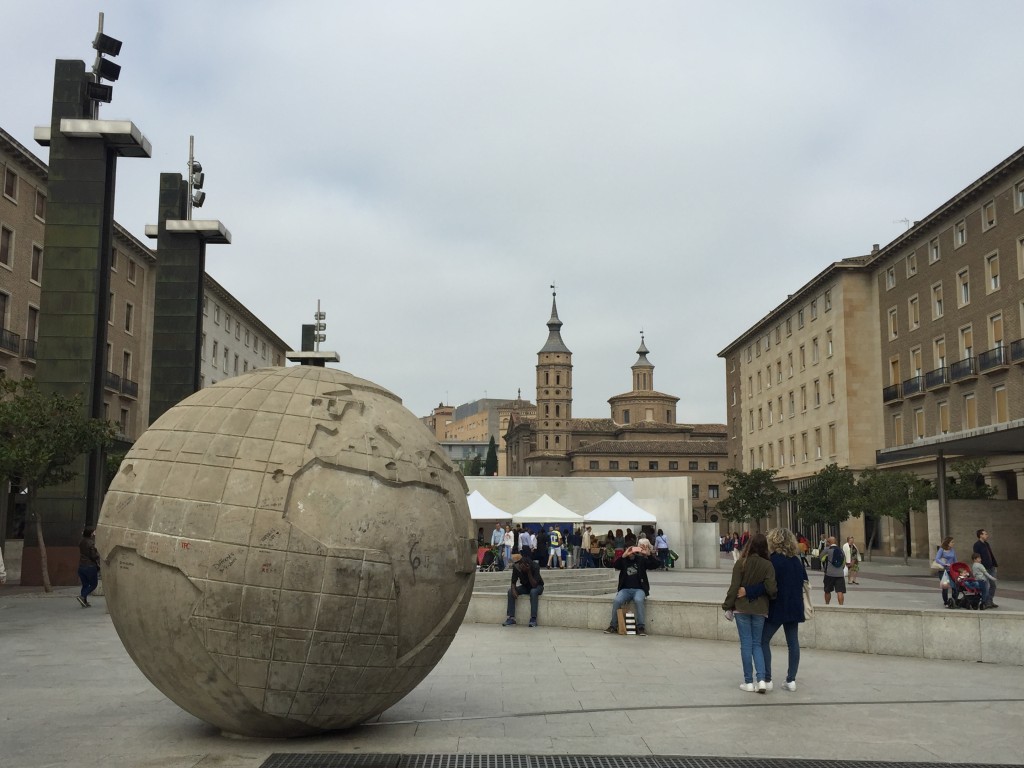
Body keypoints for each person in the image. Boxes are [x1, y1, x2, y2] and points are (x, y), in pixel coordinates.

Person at [722, 533, 777, 693]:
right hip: (760, 609)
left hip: (742, 608)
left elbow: (734, 588)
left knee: (746, 644)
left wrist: (727, 605)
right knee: (757, 644)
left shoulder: (741, 563)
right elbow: (772, 589)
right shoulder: (768, 565)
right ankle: (761, 680)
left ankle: (748, 681)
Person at [758, 528, 807, 692]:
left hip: (777, 606)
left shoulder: (773, 561)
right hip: (794, 606)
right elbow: (804, 580)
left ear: (774, 541)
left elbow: (768, 586)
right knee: (793, 643)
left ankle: (767, 678)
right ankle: (791, 680)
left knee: (763, 640)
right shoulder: (796, 561)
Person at [603, 545, 661, 636]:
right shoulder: (623, 560)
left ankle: (641, 627)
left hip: (639, 589)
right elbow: (614, 565)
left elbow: (656, 565)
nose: (631, 552)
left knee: (638, 600)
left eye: (633, 550)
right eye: (629, 550)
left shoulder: (641, 560)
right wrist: (623, 555)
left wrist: (648, 555)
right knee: (617, 600)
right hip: (625, 589)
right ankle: (613, 626)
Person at [503, 553, 544, 627]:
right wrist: (513, 589)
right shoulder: (517, 567)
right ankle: (511, 618)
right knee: (510, 591)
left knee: (533, 591)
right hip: (525, 587)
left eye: (522, 566)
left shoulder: (535, 566)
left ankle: (533, 618)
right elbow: (513, 581)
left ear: (527, 565)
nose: (520, 567)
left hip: (538, 586)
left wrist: (528, 572)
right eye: (519, 565)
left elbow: (534, 585)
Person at [972, 529, 999, 608]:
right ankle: (986, 602)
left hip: (991, 567)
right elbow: (976, 557)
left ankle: (990, 601)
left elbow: (990, 554)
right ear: (980, 535)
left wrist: (994, 564)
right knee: (986, 586)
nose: (987, 535)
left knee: (993, 585)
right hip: (984, 568)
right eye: (985, 534)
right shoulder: (977, 545)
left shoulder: (986, 544)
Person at [77, 526, 101, 607]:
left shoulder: (81, 541)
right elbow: (93, 556)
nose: (95, 533)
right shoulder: (91, 543)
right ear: (91, 533)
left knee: (85, 584)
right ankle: (82, 596)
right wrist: (98, 555)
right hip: (90, 566)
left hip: (81, 566)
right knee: (93, 584)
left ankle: (84, 601)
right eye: (94, 532)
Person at [821, 536, 846, 606]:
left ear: (828, 542)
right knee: (840, 591)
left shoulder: (827, 550)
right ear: (835, 542)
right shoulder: (841, 550)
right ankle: (841, 605)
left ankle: (827, 604)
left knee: (827, 590)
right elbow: (844, 562)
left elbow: (821, 559)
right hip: (840, 574)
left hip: (829, 573)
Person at [934, 536, 956, 607]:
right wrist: (944, 564)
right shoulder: (942, 550)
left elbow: (955, 560)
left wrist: (958, 567)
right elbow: (937, 559)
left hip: (951, 571)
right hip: (943, 571)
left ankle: (954, 600)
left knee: (955, 586)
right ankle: (946, 602)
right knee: (945, 587)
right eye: (952, 542)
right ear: (948, 543)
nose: (953, 543)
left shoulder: (952, 550)